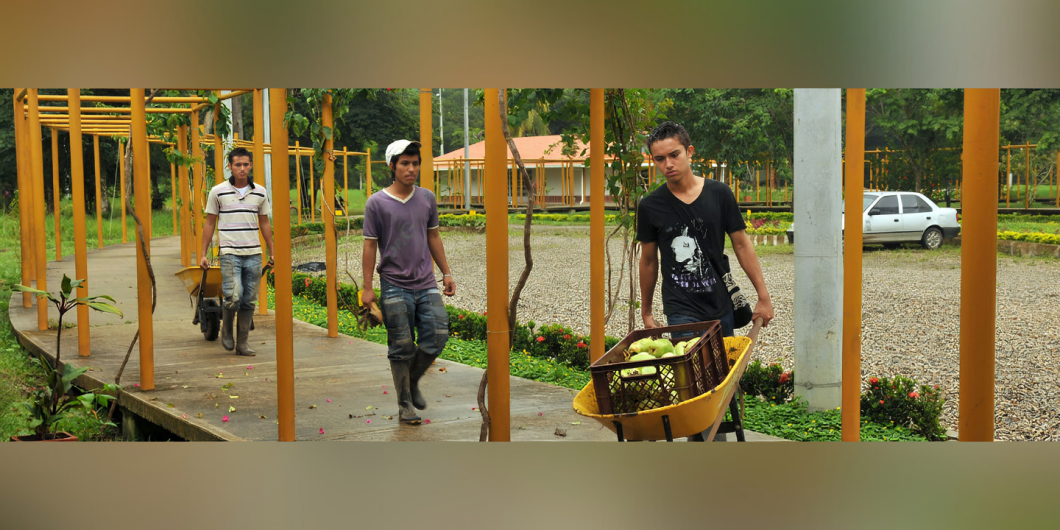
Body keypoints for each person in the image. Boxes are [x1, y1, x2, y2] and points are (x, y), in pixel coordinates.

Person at [637, 122, 774, 339]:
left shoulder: (720, 194)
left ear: (689, 152)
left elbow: (741, 244)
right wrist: (646, 313)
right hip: (680, 308)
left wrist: (763, 296)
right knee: (690, 370)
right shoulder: (650, 206)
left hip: (721, 304)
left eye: (674, 155)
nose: (668, 164)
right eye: (660, 159)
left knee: (724, 370)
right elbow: (648, 261)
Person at [361, 139, 456, 425]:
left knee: (438, 334)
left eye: (415, 163)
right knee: (401, 346)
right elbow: (369, 246)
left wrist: (446, 272)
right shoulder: (376, 203)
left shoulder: (427, 198)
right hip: (393, 284)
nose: (411, 168)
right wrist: (367, 288)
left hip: (426, 282)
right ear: (392, 166)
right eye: (405, 163)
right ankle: (405, 405)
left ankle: (412, 381)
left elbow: (434, 237)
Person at [200, 146, 275, 356]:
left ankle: (242, 343)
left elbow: (265, 223)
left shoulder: (260, 192)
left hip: (253, 253)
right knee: (233, 296)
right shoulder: (218, 191)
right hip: (229, 252)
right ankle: (226, 330)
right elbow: (209, 223)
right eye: (237, 165)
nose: (242, 168)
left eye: (245, 164)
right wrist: (203, 253)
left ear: (250, 166)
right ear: (230, 167)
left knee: (249, 298)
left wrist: (272, 250)